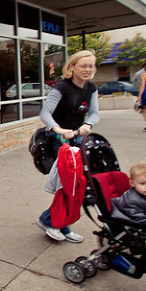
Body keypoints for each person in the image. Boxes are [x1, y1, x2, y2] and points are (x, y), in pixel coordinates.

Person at [34, 50, 100, 242]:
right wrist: (59, 129)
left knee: (78, 185)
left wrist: (88, 125)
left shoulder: (91, 87)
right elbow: (45, 113)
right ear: (72, 67)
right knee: (68, 185)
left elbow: (94, 113)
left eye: (90, 66)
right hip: (59, 140)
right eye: (83, 66)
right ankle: (53, 221)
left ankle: (58, 223)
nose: (87, 69)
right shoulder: (62, 87)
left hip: (78, 140)